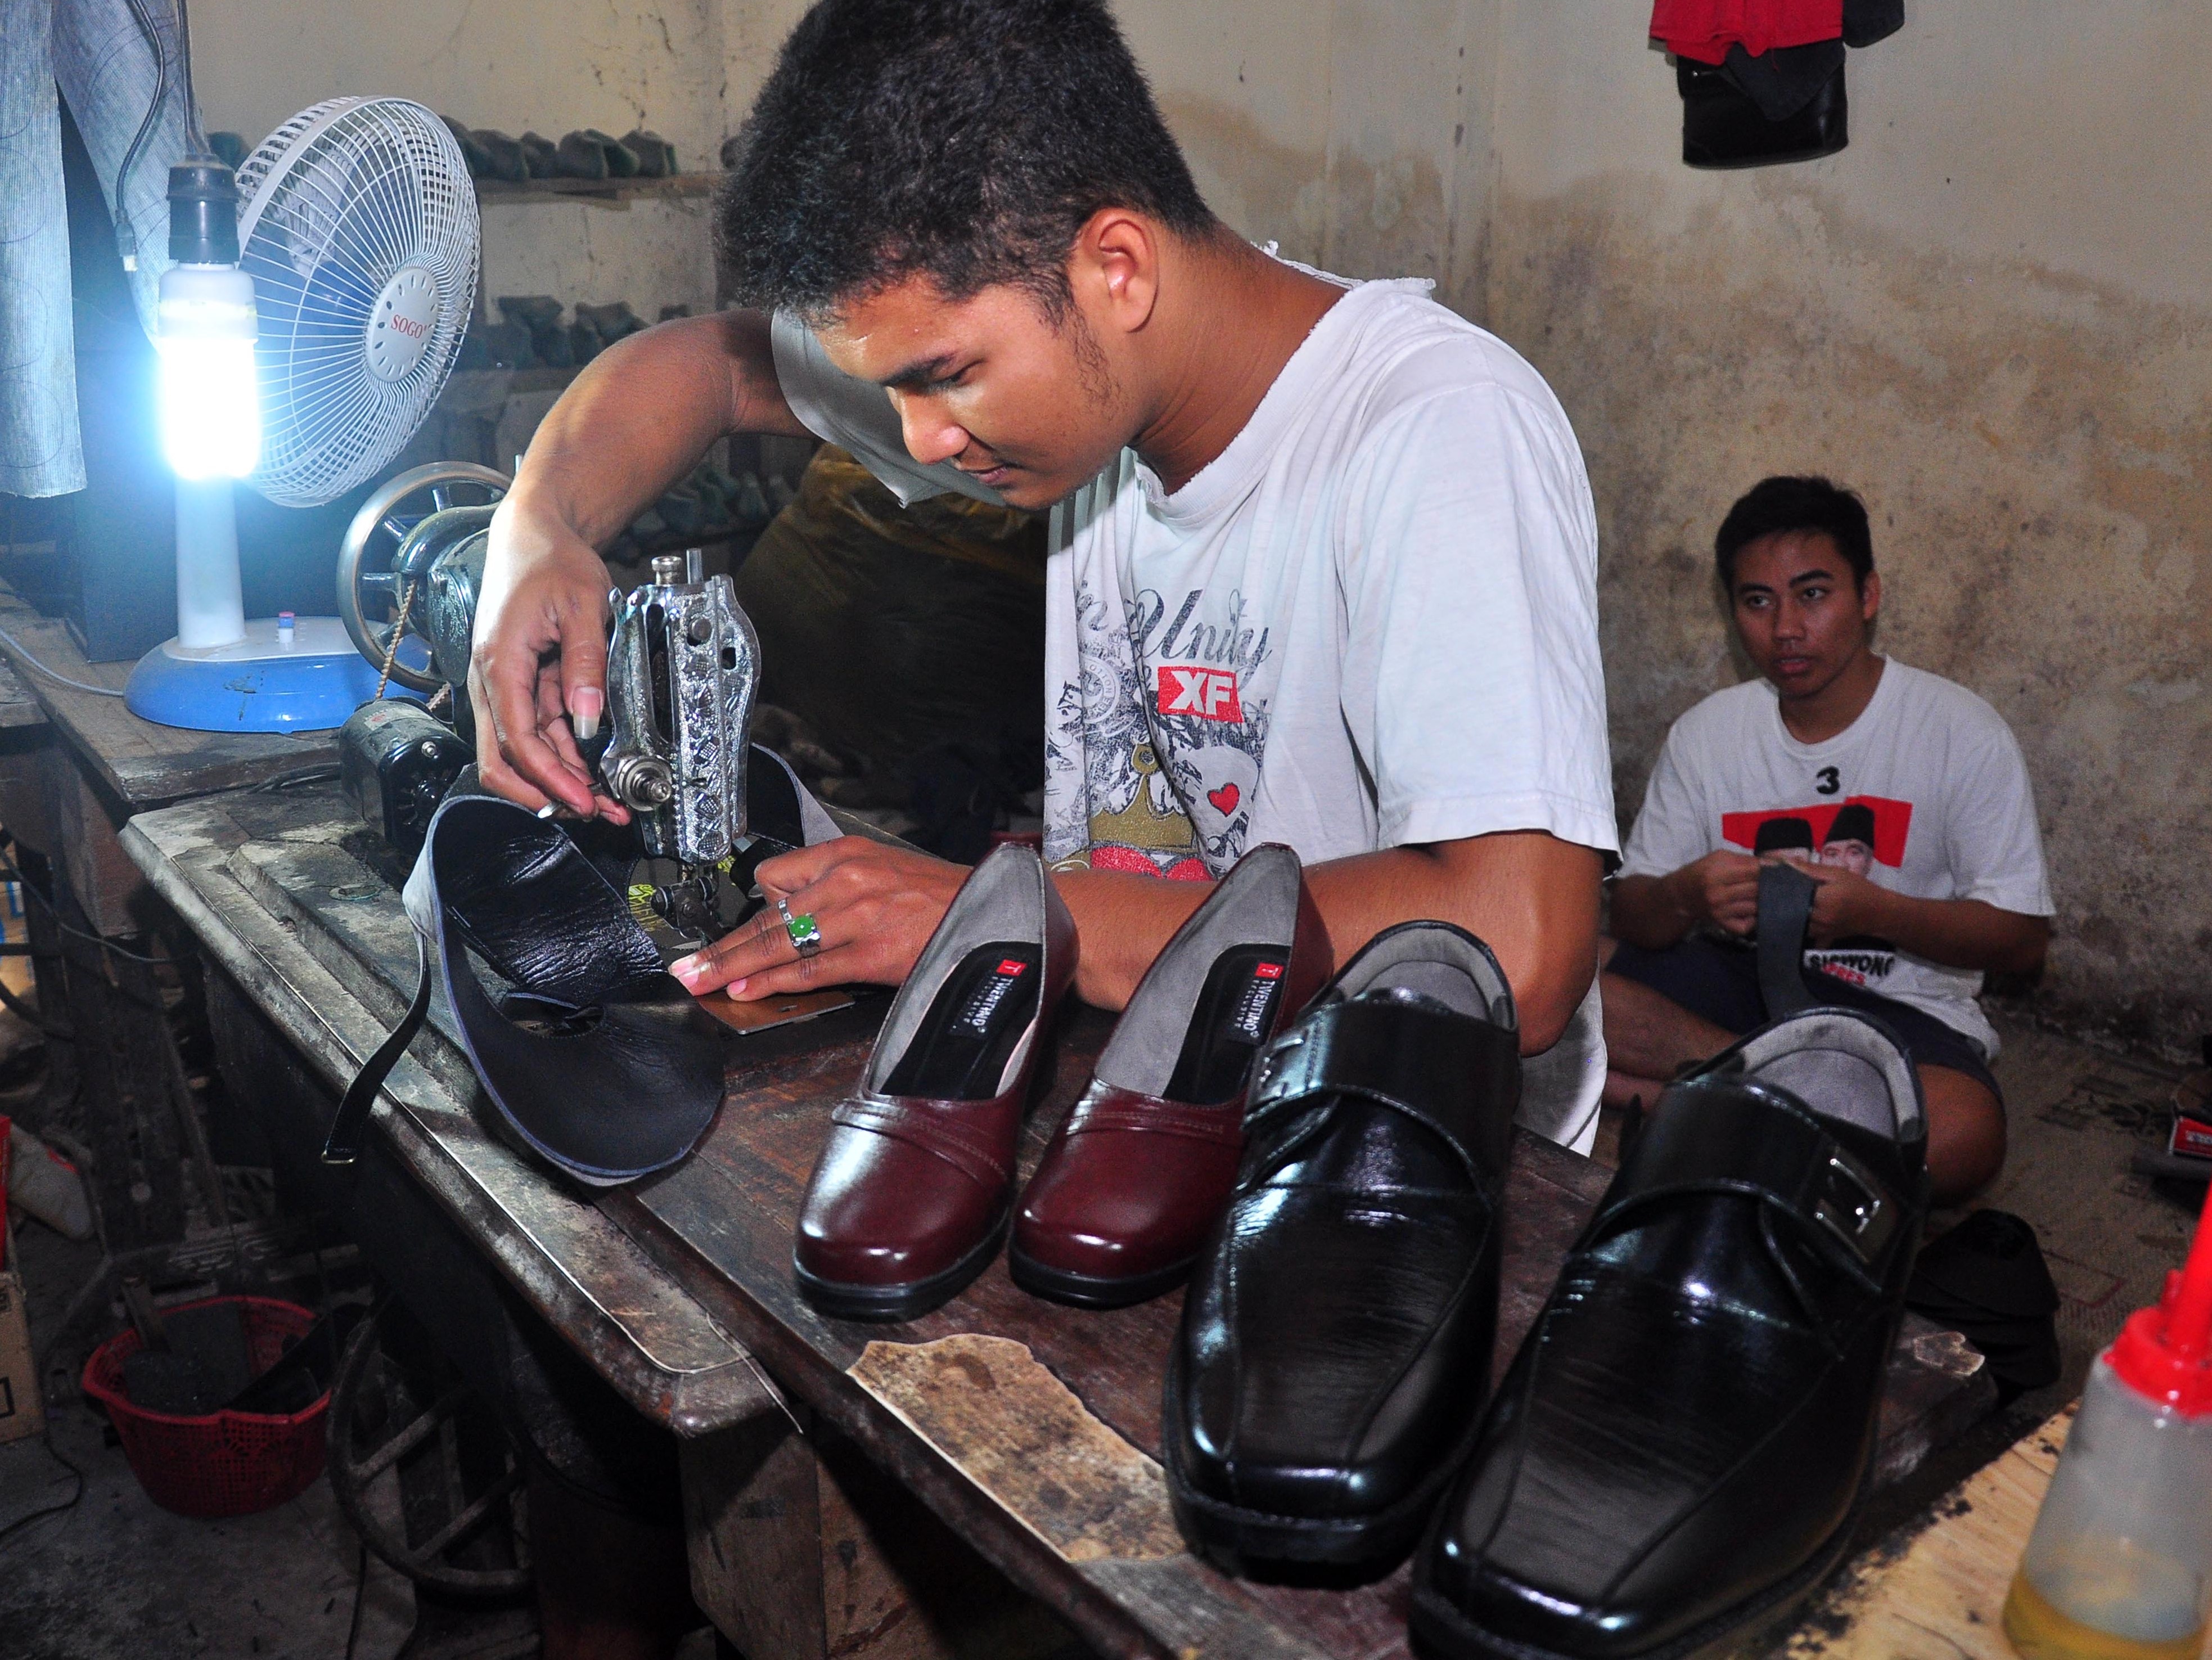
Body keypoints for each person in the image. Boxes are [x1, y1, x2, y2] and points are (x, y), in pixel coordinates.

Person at [469, 0, 1617, 1146]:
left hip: (1396, 1165)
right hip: (1166, 1106)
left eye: (945, 377)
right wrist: (538, 529)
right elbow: (702, 369)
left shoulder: (1436, 429)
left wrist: (1013, 918)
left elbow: (1515, 946)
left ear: (1116, 267)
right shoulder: (1074, 376)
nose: (915, 440)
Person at [1603, 476, 2052, 1201]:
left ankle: (1691, 1107)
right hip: (1733, 991)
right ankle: (1790, 1107)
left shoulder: (1958, 730)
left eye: (1813, 594)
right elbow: (1631, 915)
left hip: (1899, 1012)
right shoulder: (1708, 734)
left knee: (1963, 1133)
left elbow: (2023, 941)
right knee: (1564, 977)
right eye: (1758, 601)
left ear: (1868, 596)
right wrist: (1689, 896)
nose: (1785, 628)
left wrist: (1878, 913)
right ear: (1733, 613)